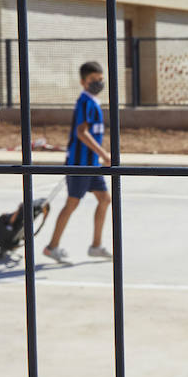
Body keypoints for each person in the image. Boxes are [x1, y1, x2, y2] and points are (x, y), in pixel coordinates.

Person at [43, 62, 114, 264]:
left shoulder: (94, 102)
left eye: (100, 79)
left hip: (91, 164)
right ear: (83, 82)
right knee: (72, 203)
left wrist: (99, 154)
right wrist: (104, 154)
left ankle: (96, 246)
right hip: (79, 163)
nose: (98, 83)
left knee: (104, 199)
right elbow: (81, 133)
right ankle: (52, 247)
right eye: (93, 80)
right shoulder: (84, 101)